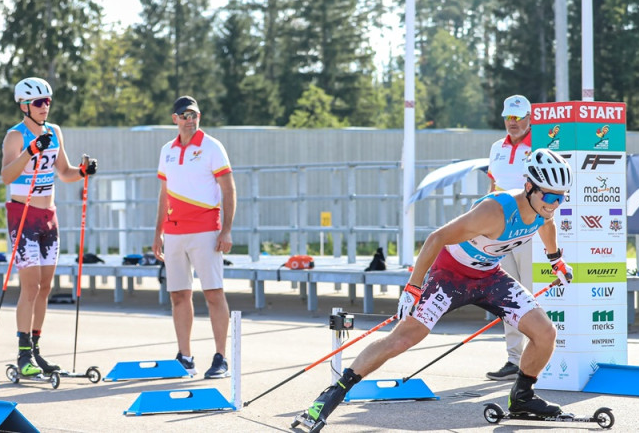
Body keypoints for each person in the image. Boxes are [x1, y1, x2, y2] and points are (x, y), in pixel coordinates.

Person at [296, 149, 574, 431]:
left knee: (545, 333)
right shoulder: (494, 212)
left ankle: (523, 398)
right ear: (529, 187)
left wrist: (557, 260)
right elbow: (436, 237)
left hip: (490, 277)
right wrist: (413, 287)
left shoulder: (542, 210)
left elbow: (546, 225)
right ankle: (332, 395)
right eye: (549, 196)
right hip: (450, 276)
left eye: (561, 197)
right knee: (403, 338)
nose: (555, 203)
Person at [0, 77, 98, 376]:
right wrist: (30, 151)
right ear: (24, 105)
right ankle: (23, 354)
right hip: (23, 214)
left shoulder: (54, 132)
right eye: (39, 103)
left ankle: (37, 351)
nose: (45, 107)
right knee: (29, 287)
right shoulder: (15, 136)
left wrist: (83, 172)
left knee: (46, 287)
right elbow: (6, 175)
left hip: (48, 216)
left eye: (48, 102)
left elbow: (65, 172)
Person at [152, 95, 237, 378]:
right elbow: (164, 194)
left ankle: (221, 357)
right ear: (174, 119)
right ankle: (185, 357)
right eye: (185, 115)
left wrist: (226, 229)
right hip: (174, 233)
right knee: (178, 294)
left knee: (213, 293)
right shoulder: (166, 150)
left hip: (206, 230)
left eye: (195, 115)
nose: (190, 120)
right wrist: (158, 233)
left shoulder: (212, 147)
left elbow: (228, 190)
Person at [485, 94, 533, 380]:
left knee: (531, 291)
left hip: (529, 228)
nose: (512, 122)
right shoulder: (496, 147)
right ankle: (514, 359)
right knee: (508, 294)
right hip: (502, 229)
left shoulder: (540, 145)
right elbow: (493, 185)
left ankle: (538, 356)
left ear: (530, 118)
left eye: (517, 117)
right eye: (508, 117)